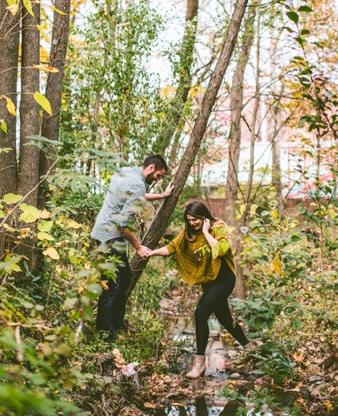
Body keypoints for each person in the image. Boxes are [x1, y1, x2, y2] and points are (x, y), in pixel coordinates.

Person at [148, 201, 257, 378]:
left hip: (224, 280)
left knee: (200, 313)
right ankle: (250, 348)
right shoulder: (188, 233)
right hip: (211, 282)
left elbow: (221, 250)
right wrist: (152, 252)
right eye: (189, 220)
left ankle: (199, 365)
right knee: (225, 318)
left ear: (203, 216)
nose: (192, 223)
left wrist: (206, 231)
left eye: (195, 220)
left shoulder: (218, 227)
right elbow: (172, 247)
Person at [91, 154, 173, 343]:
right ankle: (105, 335)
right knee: (111, 286)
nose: (157, 179)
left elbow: (137, 195)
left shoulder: (128, 172)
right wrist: (138, 247)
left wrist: (162, 196)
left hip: (107, 234)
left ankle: (116, 322)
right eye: (159, 176)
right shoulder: (137, 184)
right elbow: (124, 225)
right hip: (110, 238)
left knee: (125, 277)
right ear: (151, 168)